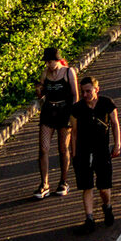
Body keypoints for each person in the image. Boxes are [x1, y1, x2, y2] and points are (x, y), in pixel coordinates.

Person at [69, 74, 121, 235]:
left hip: (102, 150)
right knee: (87, 186)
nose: (85, 95)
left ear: (96, 90)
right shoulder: (77, 109)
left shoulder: (107, 103)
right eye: (83, 92)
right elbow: (74, 132)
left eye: (88, 91)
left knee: (104, 187)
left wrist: (117, 143)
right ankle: (89, 218)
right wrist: (75, 154)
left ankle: (107, 206)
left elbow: (114, 123)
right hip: (84, 151)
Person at [36, 45, 78, 198]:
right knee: (44, 148)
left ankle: (63, 181)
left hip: (64, 111)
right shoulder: (45, 74)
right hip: (48, 111)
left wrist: (73, 115)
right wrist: (39, 89)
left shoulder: (68, 72)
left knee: (63, 148)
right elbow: (41, 95)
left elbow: (75, 95)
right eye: (47, 62)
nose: (48, 65)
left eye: (50, 62)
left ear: (57, 60)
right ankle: (44, 183)